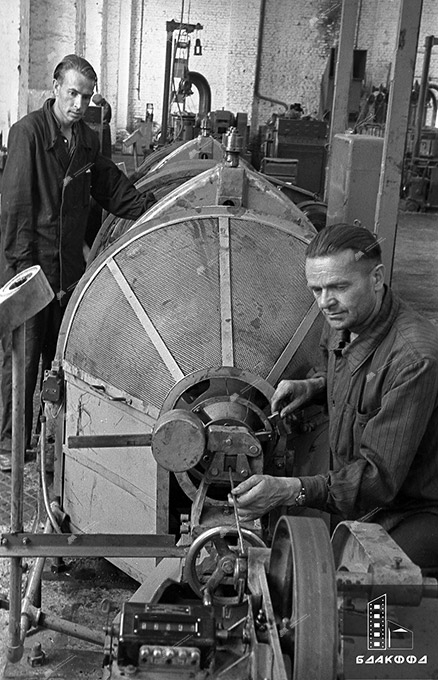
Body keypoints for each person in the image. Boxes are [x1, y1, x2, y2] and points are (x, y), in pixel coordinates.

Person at [230, 223, 438, 569]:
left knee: (363, 599)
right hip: (364, 503)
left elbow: (378, 479)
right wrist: (313, 388)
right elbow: (349, 373)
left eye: (340, 286)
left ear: (376, 278)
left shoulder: (415, 359)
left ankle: (398, 626)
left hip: (414, 509)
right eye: (317, 289)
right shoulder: (345, 318)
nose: (326, 302)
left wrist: (290, 489)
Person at [0, 54, 156, 467]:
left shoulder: (86, 139)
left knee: (59, 360)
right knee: (22, 360)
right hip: (30, 271)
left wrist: (148, 208)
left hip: (68, 272)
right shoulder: (27, 134)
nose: (78, 103)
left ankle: (49, 440)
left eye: (86, 97)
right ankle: (9, 446)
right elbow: (15, 210)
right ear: (55, 88)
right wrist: (20, 280)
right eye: (72, 93)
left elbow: (107, 184)